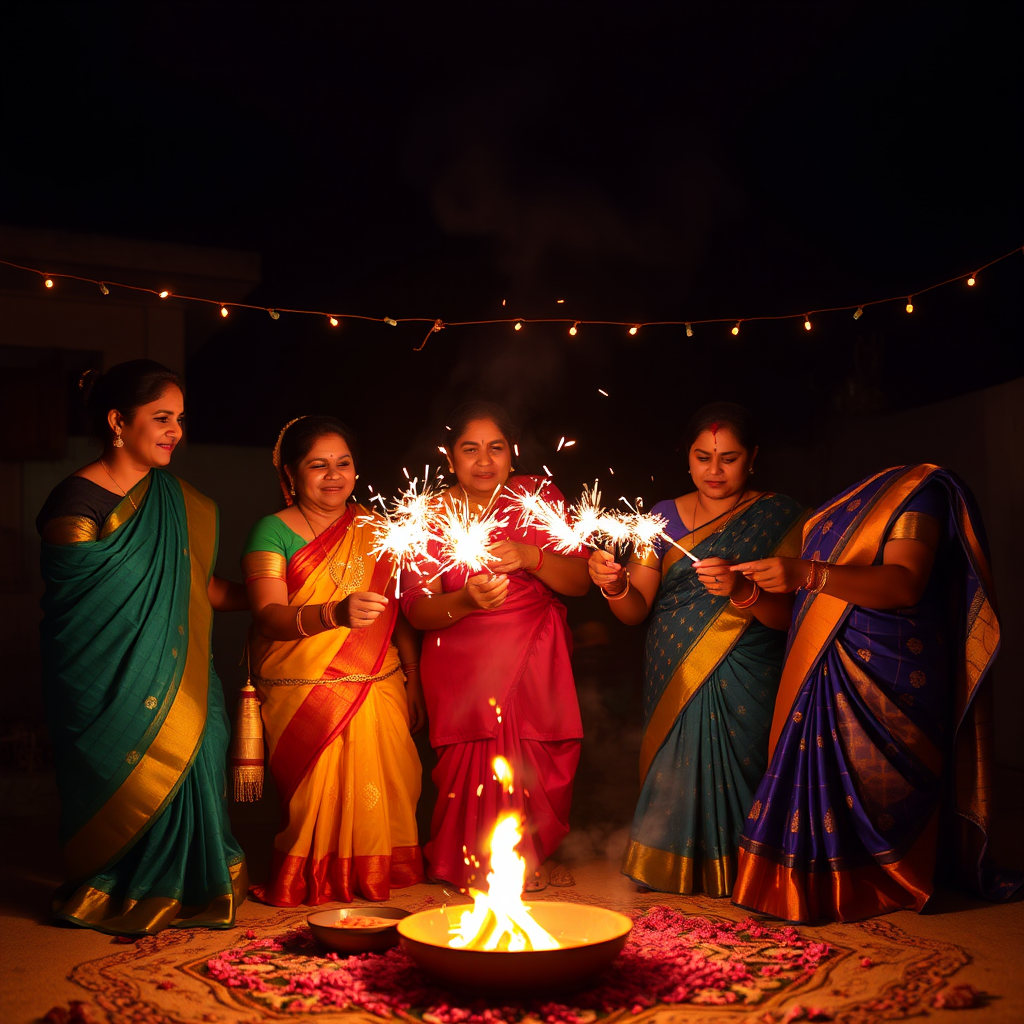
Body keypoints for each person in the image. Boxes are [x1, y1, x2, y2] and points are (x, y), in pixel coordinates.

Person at [731, 464, 1022, 922]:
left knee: (886, 784)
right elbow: (801, 617)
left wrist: (806, 573)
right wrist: (744, 591)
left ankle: (879, 878)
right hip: (827, 669)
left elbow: (905, 583)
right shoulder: (824, 522)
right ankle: (802, 883)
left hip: (895, 668)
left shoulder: (919, 495)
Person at [36, 360, 249, 935]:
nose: (175, 430)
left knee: (198, 749)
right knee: (124, 771)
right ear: (117, 421)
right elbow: (84, 614)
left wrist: (278, 593)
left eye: (179, 418)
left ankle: (194, 884)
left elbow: (197, 589)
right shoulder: (75, 501)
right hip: (104, 679)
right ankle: (121, 885)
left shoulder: (183, 502)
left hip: (183, 674)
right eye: (161, 417)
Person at [588, 402, 806, 896]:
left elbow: (791, 618)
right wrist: (615, 585)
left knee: (748, 766)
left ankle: (749, 869)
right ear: (686, 458)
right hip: (675, 668)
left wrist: (740, 590)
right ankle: (670, 864)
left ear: (752, 458)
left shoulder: (782, 516)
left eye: (728, 458)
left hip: (749, 667)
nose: (714, 470)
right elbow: (636, 609)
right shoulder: (659, 519)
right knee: (678, 764)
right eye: (703, 457)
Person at [400, 402, 590, 891]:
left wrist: (532, 556)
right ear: (449, 457)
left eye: (496, 448)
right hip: (462, 665)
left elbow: (579, 581)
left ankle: (527, 857)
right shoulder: (428, 516)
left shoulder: (537, 497)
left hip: (535, 655)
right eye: (470, 449)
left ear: (513, 454)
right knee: (472, 765)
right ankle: (467, 862)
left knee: (539, 760)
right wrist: (464, 599)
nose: (484, 461)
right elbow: (416, 610)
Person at [242, 415, 425, 905]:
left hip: (379, 682)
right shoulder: (272, 531)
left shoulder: (378, 529)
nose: (333, 474)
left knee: (393, 775)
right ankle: (316, 873)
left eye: (343, 463)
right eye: (317, 465)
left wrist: (413, 677)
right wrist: (334, 613)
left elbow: (400, 614)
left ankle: (380, 870)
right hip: (302, 686)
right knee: (315, 794)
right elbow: (268, 616)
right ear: (291, 474)